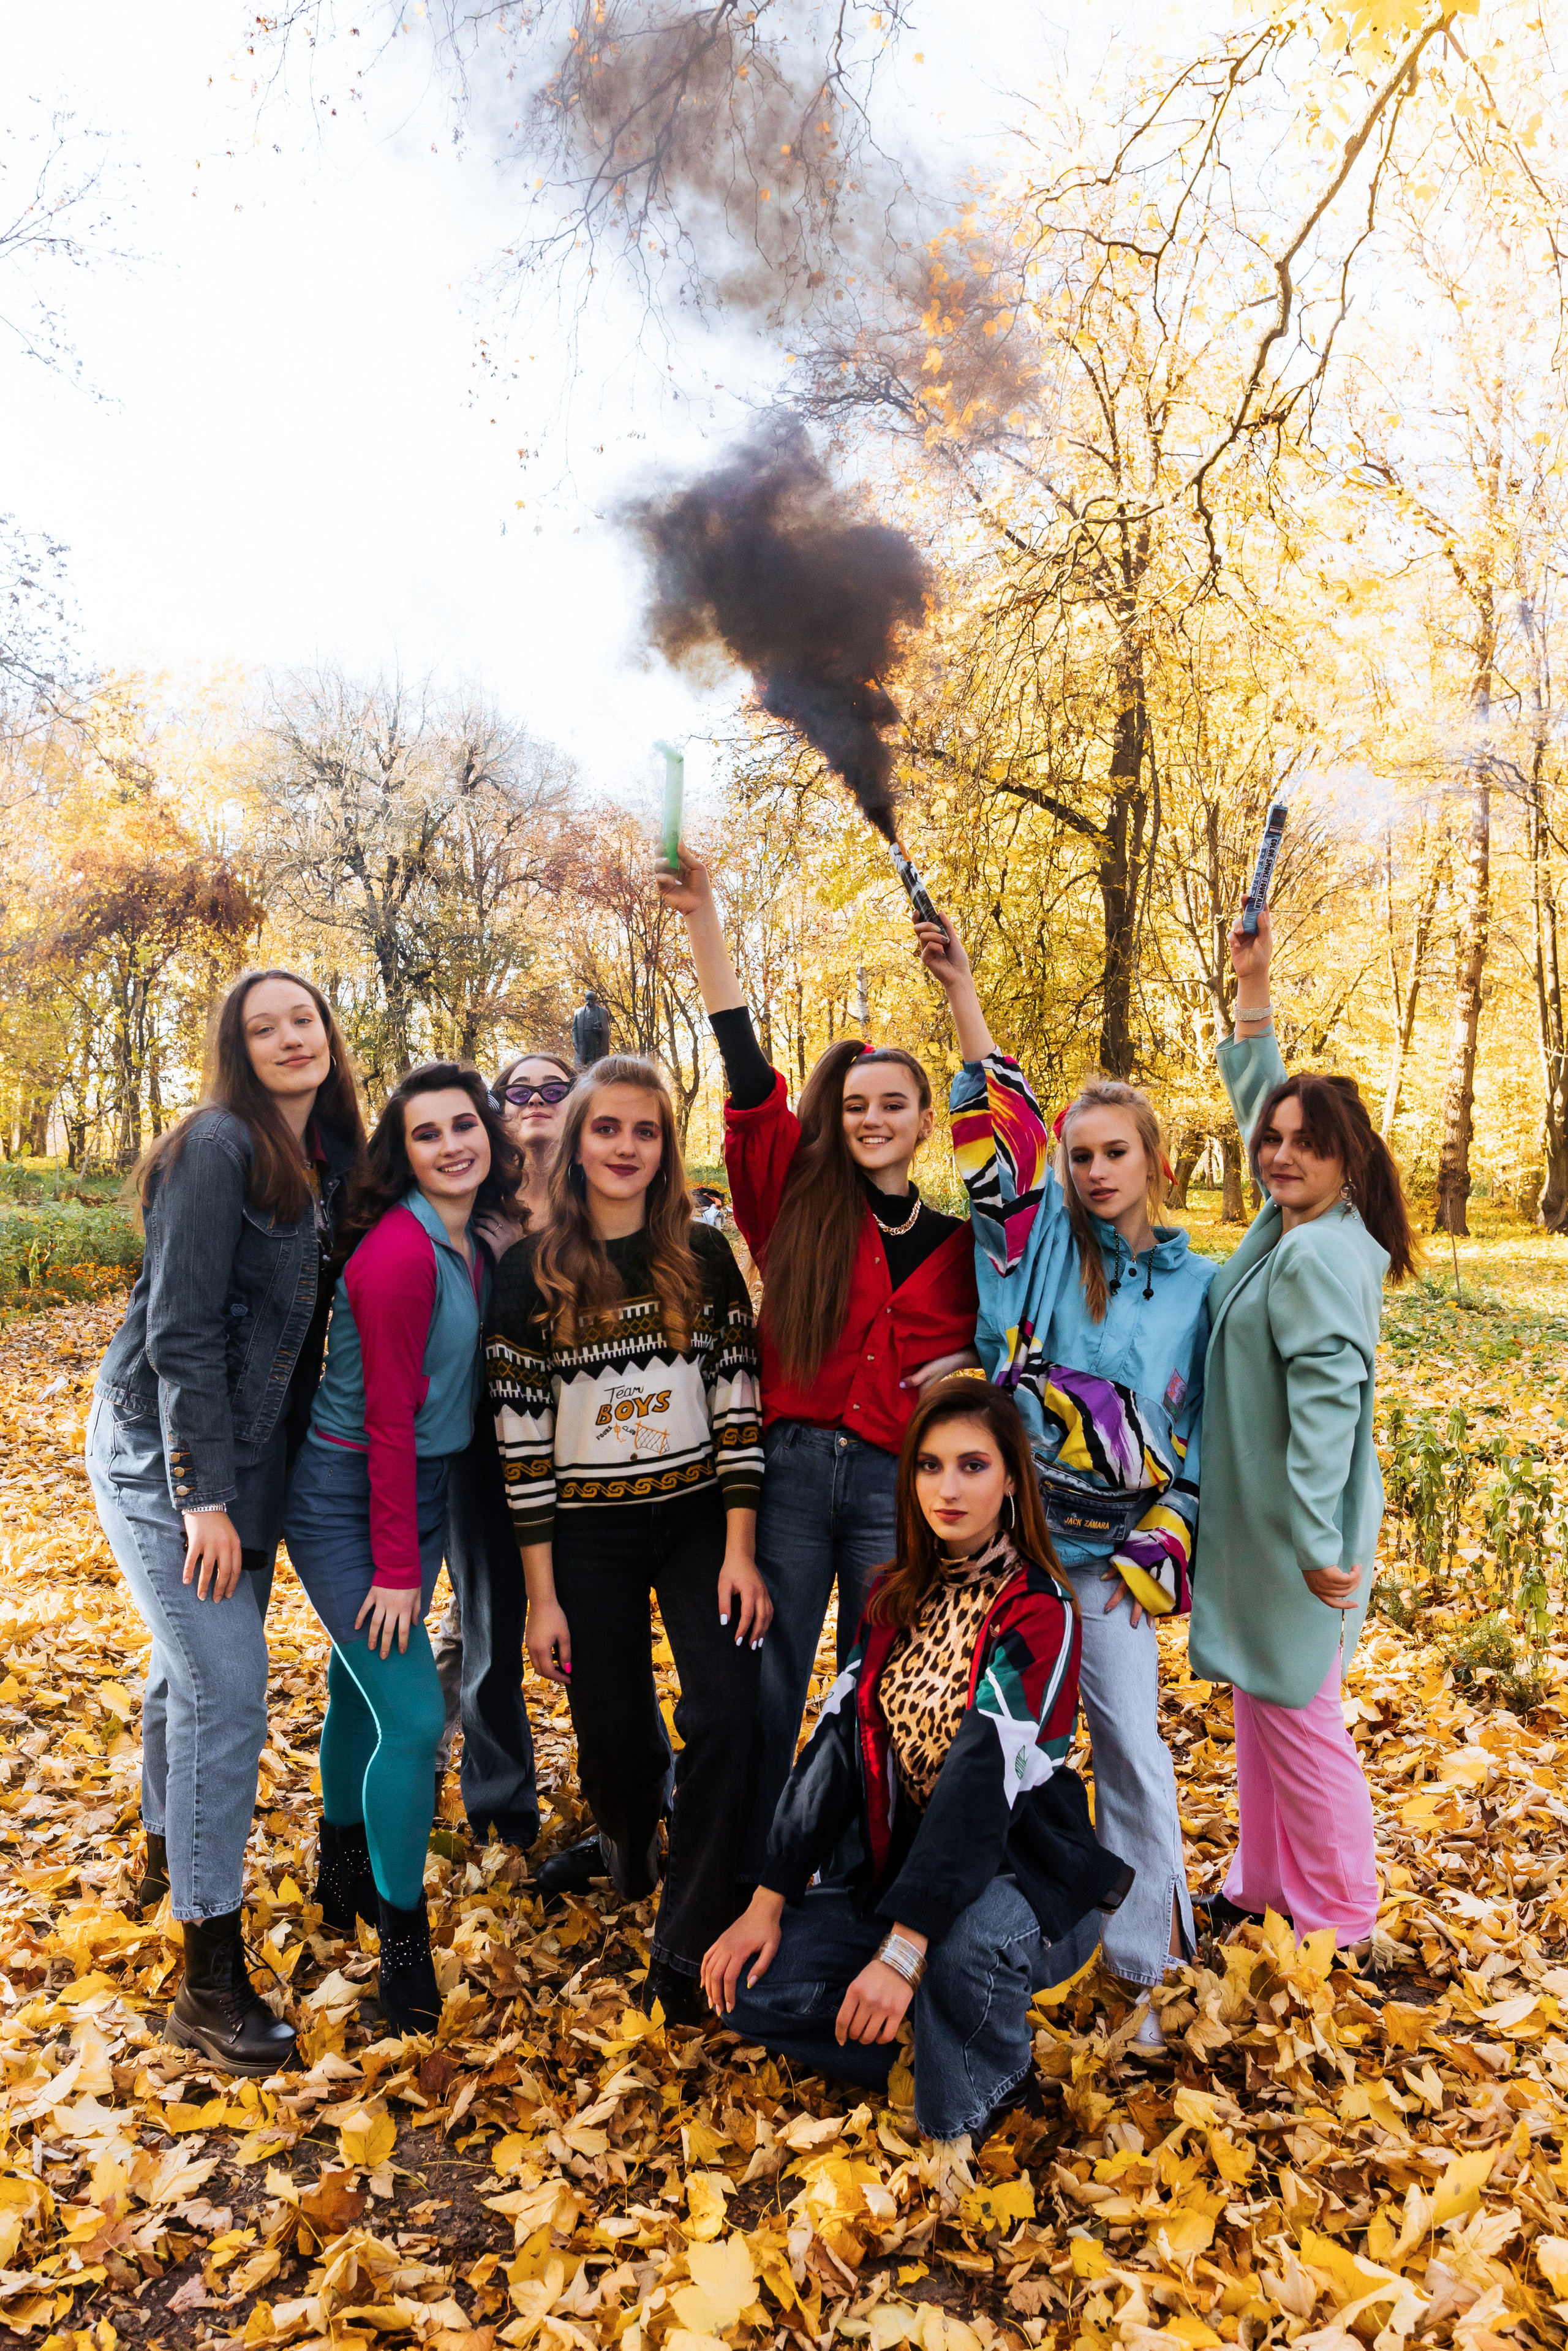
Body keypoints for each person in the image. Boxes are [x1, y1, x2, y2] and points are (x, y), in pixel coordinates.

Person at [657, 848, 980, 1879]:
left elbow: (1022, 1337)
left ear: (928, 1122)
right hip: (788, 1475)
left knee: (874, 1688)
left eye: (895, 1102)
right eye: (856, 1104)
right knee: (763, 1681)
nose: (873, 1115)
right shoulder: (794, 1208)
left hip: (896, 1489)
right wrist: (706, 921)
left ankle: (840, 1880)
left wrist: (969, 1356)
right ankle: (731, 1877)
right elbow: (749, 1080)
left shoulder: (964, 1248)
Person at [920, 911, 1213, 2048]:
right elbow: (1000, 1151)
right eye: (1081, 1152)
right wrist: (964, 994)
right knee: (994, 1744)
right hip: (1016, 1545)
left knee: (1132, 1750)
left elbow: (1209, 1438)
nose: (1093, 1170)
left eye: (1114, 1152)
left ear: (1156, 1161)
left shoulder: (1203, 1288)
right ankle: (996, 1950)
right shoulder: (1037, 1240)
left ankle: (1145, 1964)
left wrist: (1160, 1556)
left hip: (1121, 1563)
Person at [703, 1379, 1133, 2142]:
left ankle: (988, 2088)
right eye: (929, 1466)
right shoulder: (891, 1593)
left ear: (1010, 1479)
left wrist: (902, 1952)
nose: (948, 1487)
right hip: (908, 1874)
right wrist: (766, 1898)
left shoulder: (1038, 1608)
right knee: (746, 1988)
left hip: (1016, 1878)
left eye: (972, 1466)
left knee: (962, 1971)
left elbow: (978, 1783)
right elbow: (836, 1746)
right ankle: (930, 2035)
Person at [86, 968, 364, 2074]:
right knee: (227, 1685)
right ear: (237, 1050)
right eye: (265, 1027)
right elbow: (183, 1329)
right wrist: (203, 1494)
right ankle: (206, 1982)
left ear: (329, 1035)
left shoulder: (330, 1160)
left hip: (250, 1456)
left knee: (185, 1668)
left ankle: (162, 1845)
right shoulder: (216, 1145)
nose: (291, 1038)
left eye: (304, 1019)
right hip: (167, 1452)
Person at [486, 1054, 769, 2023]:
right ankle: (626, 1840)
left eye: (645, 1131)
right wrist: (542, 1593)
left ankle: (687, 1942)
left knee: (728, 1710)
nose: (625, 1146)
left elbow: (738, 1405)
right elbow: (520, 1443)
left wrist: (740, 1547)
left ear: (665, 1147)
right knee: (611, 1742)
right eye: (607, 1127)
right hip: (585, 1538)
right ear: (577, 1140)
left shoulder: (700, 1252)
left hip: (698, 1522)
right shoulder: (530, 1272)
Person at [1189, 910, 1415, 1946]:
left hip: (1296, 1534)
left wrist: (1322, 1543)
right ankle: (1262, 1881)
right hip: (1269, 1527)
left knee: (1302, 1720)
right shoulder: (1301, 1222)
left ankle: (1340, 1917)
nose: (1276, 1153)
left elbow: (1328, 1413)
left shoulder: (1318, 1256)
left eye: (1301, 1145)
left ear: (1342, 1160)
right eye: (1271, 1140)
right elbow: (1260, 1099)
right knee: (1265, 1706)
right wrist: (1254, 985)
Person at [283, 1063, 521, 2033]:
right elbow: (386, 1415)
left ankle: (339, 1865)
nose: (452, 1144)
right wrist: (392, 1567)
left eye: (466, 1125)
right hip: (349, 1498)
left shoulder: (467, 1239)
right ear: (404, 1152)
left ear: (491, 1137)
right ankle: (402, 1941)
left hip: (411, 1493)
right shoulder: (397, 1254)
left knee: (358, 1688)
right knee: (419, 1718)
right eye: (427, 1134)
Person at [431, 1049, 576, 1845]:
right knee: (487, 1630)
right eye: (521, 1090)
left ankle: (634, 1795)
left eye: (556, 1088)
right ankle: (501, 1810)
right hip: (483, 1449)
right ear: (501, 1106)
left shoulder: (601, 1198)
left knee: (598, 1623)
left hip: (587, 1449)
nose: (538, 1101)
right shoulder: (471, 1206)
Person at [571, 990, 611, 1070]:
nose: (589, 1002)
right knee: (582, 1064)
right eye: (587, 999)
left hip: (596, 1041)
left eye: (591, 999)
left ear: (595, 1000)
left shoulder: (603, 1012)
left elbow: (607, 1029)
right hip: (583, 1041)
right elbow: (574, 1029)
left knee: (595, 1062)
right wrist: (575, 1042)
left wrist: (600, 1030)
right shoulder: (578, 1012)